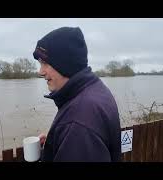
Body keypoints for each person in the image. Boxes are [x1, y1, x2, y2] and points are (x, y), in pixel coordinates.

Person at [33, 27, 121, 162]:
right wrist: (57, 142)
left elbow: (81, 133)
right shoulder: (95, 89)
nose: (40, 71)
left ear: (64, 62)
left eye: (45, 63)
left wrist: (71, 135)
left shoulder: (78, 123)